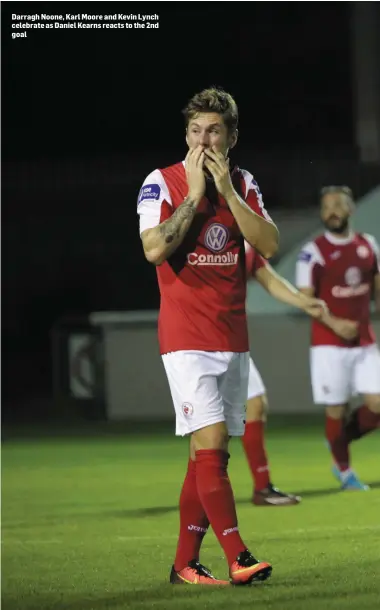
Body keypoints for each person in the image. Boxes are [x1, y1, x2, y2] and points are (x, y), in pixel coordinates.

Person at [137, 86, 280, 586]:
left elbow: (268, 242)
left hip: (231, 338)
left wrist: (228, 195)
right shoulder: (163, 181)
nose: (203, 140)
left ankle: (184, 564)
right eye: (196, 131)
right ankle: (238, 556)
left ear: (231, 137)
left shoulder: (243, 182)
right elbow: (154, 250)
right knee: (213, 442)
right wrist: (196, 196)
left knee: (207, 455)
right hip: (185, 337)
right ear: (186, 134)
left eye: (214, 130)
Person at [295, 185, 380, 490]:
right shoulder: (312, 252)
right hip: (328, 345)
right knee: (336, 409)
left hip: (364, 342)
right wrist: (334, 322)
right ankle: (344, 471)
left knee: (377, 404)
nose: (331, 211)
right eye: (326, 206)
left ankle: (337, 440)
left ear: (350, 209)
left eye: (338, 205)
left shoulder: (368, 245)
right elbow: (305, 299)